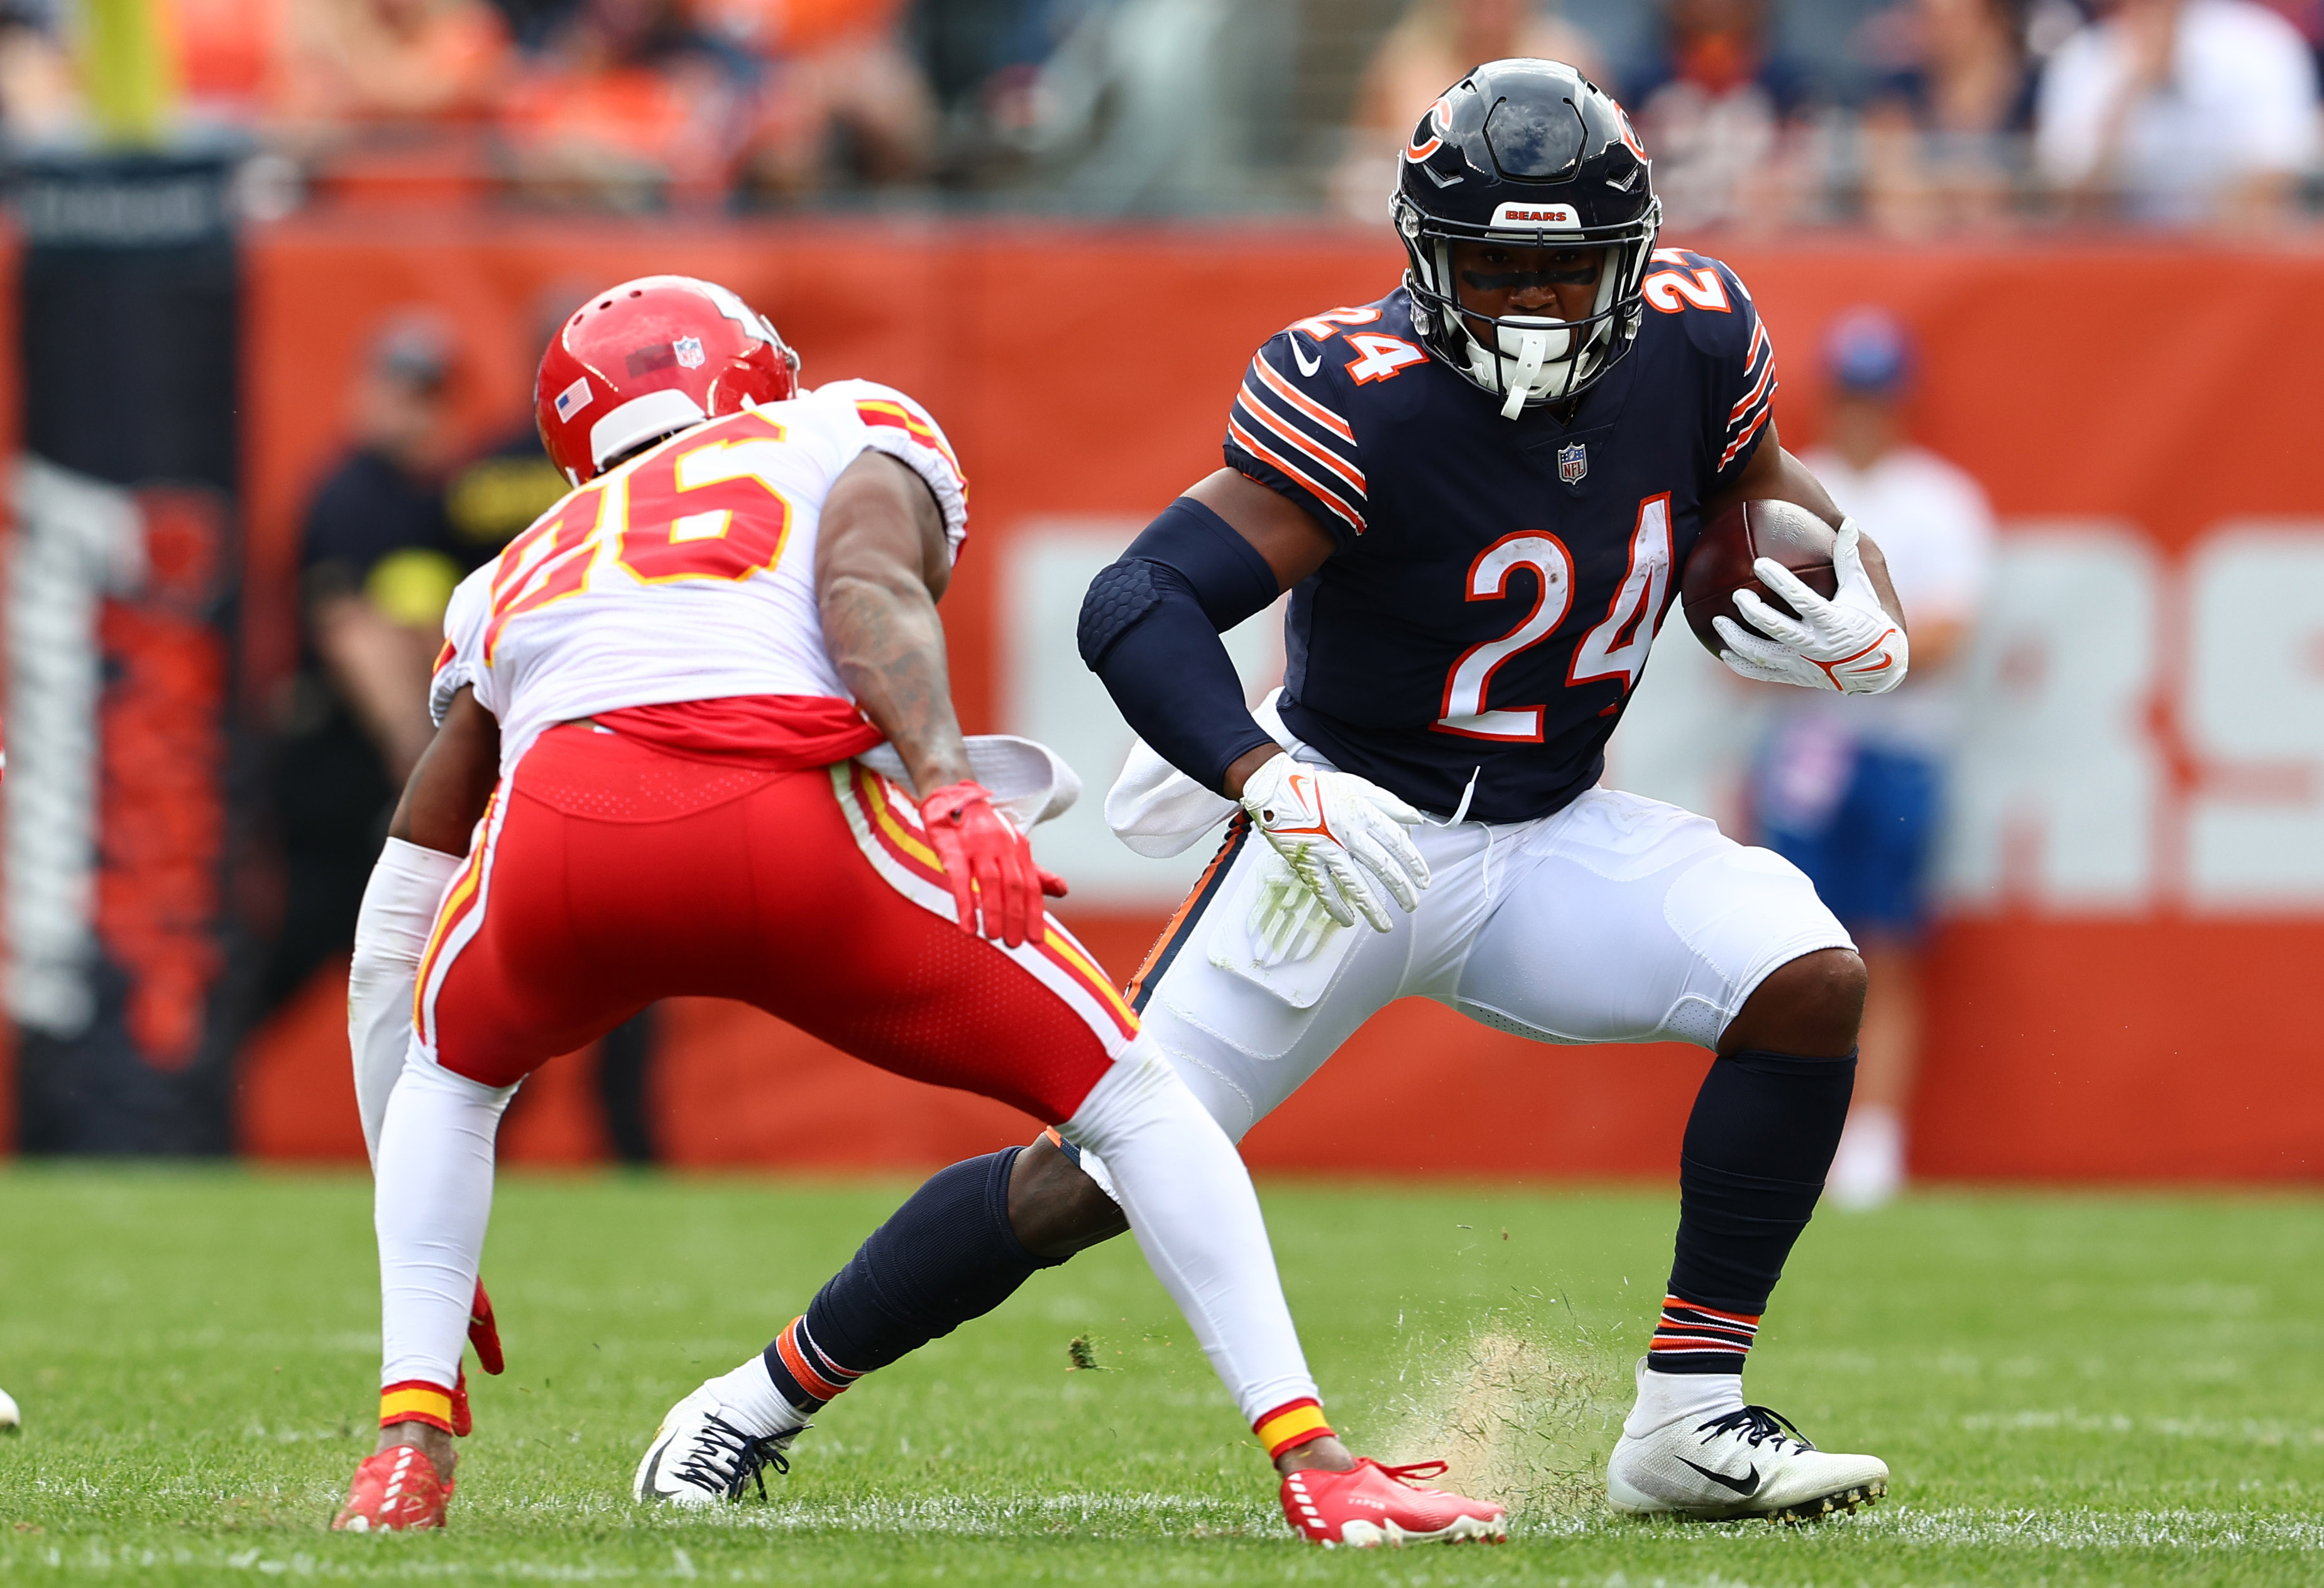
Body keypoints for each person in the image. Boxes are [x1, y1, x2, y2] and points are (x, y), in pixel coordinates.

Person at [688, 60, 1902, 1524]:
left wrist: (1864, 599)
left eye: (1564, 270)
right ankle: (746, 1404)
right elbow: (1136, 600)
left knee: (1810, 979)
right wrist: (1263, 777)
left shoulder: (1701, 337)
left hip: (1554, 827)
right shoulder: (1361, 391)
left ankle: (1686, 1422)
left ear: (1629, 262)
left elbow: (1777, 502)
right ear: (1423, 257)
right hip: (1345, 829)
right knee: (1091, 1173)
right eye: (1493, 267)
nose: (1528, 304)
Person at [327, 275, 1504, 1547]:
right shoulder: (840, 423)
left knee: (452, 1082)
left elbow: (401, 908)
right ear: (751, 373)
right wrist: (946, 785)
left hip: (564, 843)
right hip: (780, 825)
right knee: (1128, 1100)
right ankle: (1313, 1461)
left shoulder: (511, 568)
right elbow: (868, 588)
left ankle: (406, 1445)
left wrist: (408, 1181)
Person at [1755, 308, 1993, 1210]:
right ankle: (1791, 1134)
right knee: (1785, 953)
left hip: (1896, 747)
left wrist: (1836, 654)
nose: (1861, 412)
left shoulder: (1938, 499)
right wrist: (1846, 653)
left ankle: (1872, 1140)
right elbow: (1743, 632)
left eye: (1875, 395)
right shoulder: (1785, 490)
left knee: (1885, 949)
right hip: (1804, 748)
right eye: (1850, 394)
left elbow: (1942, 633)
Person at [264, 312, 468, 1014]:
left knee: (402, 959)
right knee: (320, 937)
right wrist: (415, 745)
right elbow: (349, 626)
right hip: (341, 764)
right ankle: (180, 1091)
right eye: (402, 389)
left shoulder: (425, 499)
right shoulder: (355, 492)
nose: (416, 409)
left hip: (375, 765)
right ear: (368, 391)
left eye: (430, 393)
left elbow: (415, 624)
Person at [2034, 0, 2321, 226]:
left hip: (2232, 263)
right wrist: (2131, 93)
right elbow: (2070, 203)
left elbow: (2276, 179)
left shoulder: (2262, 45)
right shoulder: (2084, 55)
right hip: (2116, 262)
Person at [1852, 0, 2037, 234]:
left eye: (1953, 19)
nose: (1938, 30)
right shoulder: (1896, 93)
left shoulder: (2037, 95)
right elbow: (1887, 190)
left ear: (1993, 22)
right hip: (1921, 251)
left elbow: (2045, 196)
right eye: (1929, 18)